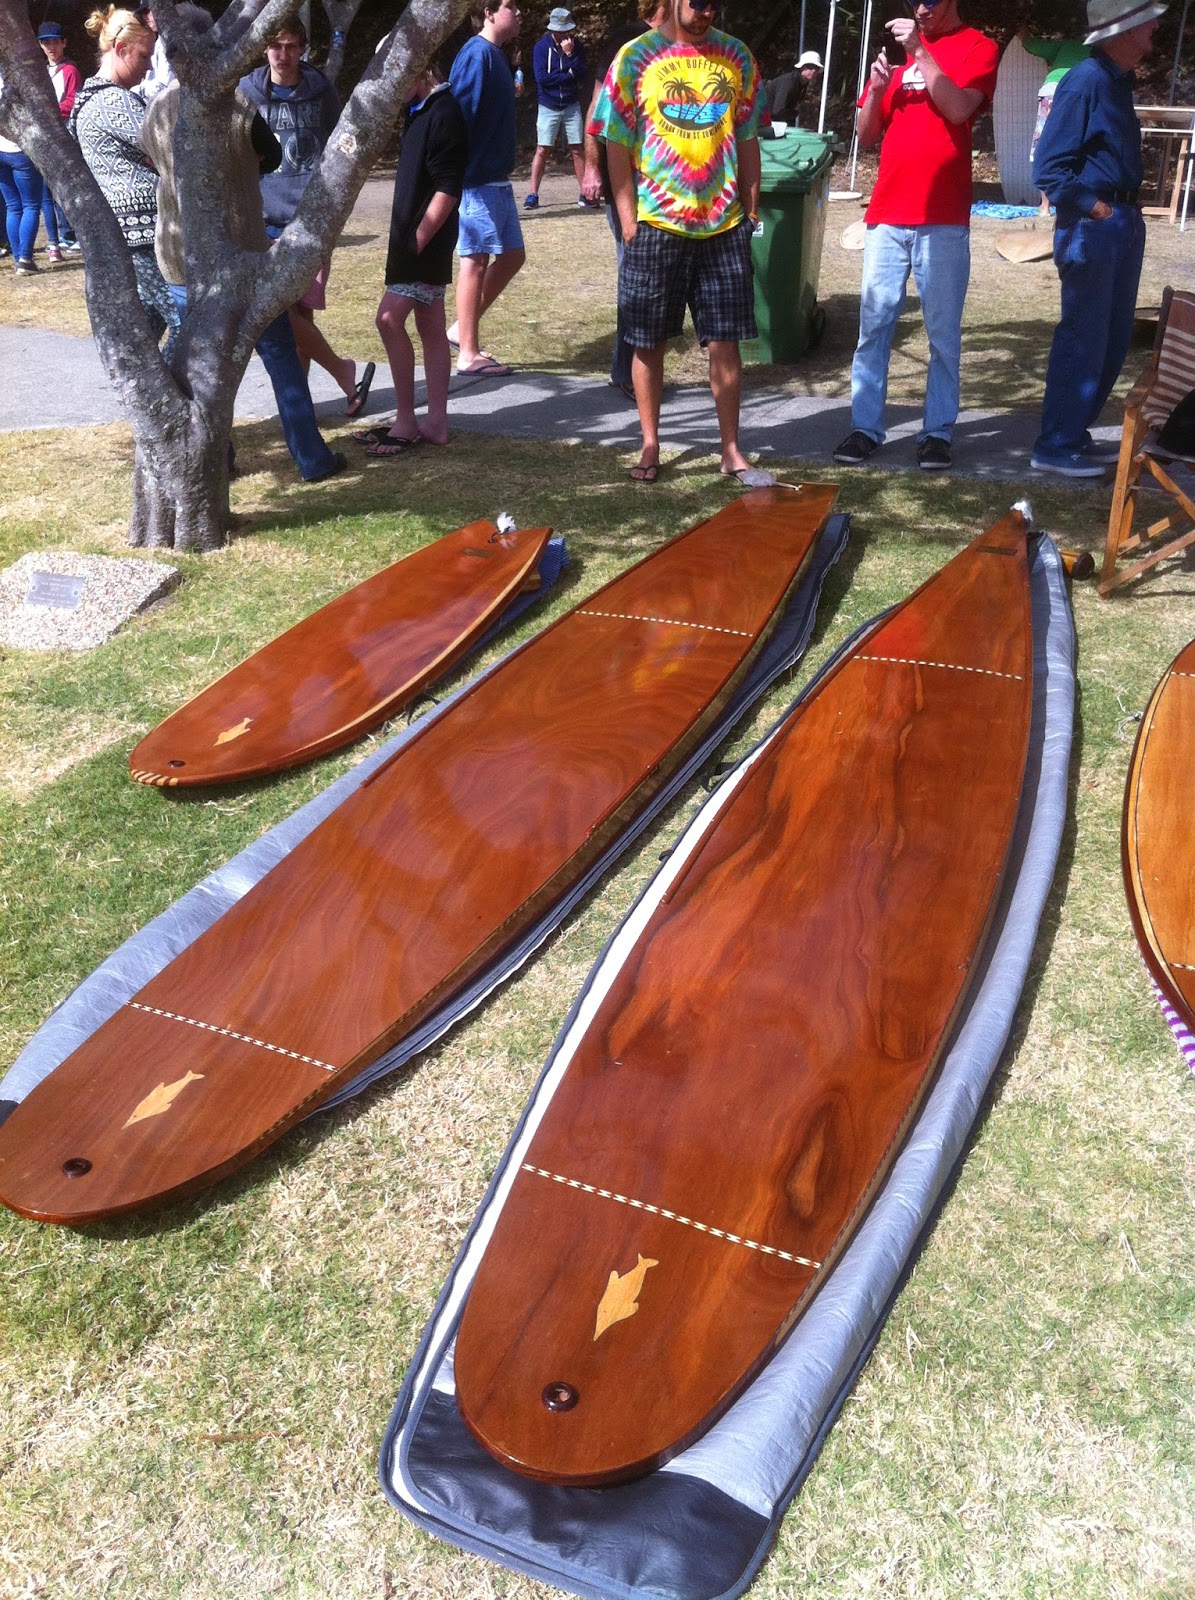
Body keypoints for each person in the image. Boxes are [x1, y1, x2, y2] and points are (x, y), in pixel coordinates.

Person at [140, 47, 347, 483]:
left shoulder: (158, 106)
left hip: (182, 259)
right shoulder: (237, 104)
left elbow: (150, 157)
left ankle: (220, 458)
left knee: (202, 364)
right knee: (280, 357)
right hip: (241, 253)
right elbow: (270, 158)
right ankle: (311, 458)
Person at [590, 0, 772, 487]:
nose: (708, 10)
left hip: (722, 226)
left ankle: (731, 449)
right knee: (648, 340)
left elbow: (748, 135)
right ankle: (650, 444)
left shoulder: (736, 57)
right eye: (698, 2)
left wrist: (749, 209)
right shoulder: (634, 57)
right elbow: (615, 141)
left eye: (716, 3)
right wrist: (628, 221)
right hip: (656, 226)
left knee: (725, 343)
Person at [832, 0, 998, 473]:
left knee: (942, 334)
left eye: (931, 1)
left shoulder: (977, 47)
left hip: (942, 217)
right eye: (916, 2)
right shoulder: (902, 57)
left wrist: (921, 52)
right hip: (886, 215)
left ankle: (937, 433)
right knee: (874, 328)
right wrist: (877, 89)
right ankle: (865, 428)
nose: (921, 8)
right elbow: (865, 133)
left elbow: (961, 107)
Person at [1029, 0, 1167, 478]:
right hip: (1097, 223)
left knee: (1110, 339)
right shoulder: (1086, 80)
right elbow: (1048, 167)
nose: (1155, 30)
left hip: (1120, 220)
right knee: (1084, 337)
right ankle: (1055, 446)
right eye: (1146, 22)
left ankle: (1074, 435)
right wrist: (1096, 207)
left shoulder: (1114, 82)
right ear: (1122, 30)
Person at [240, 15, 375, 418]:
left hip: (312, 218)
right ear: (265, 49)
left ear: (303, 49)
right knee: (277, 313)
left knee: (300, 315)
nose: (283, 55)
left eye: (291, 46)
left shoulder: (321, 91)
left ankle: (297, 410)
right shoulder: (247, 92)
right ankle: (340, 372)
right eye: (276, 46)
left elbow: (342, 146)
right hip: (262, 217)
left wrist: (332, 204)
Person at [363, 63, 467, 456]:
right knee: (430, 322)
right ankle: (436, 422)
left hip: (423, 241)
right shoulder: (421, 109)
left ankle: (407, 420)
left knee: (388, 319)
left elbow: (448, 188)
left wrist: (416, 243)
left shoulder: (443, 112)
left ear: (421, 67)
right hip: (415, 238)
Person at [71, 7, 182, 347]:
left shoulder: (91, 98)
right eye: (144, 56)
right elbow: (167, 148)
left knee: (147, 327)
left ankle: (144, 393)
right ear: (120, 50)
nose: (149, 65)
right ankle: (167, 400)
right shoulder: (111, 102)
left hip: (133, 234)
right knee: (185, 321)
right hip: (143, 236)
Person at [581, 0, 668, 399]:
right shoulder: (626, 41)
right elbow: (599, 110)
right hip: (625, 179)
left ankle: (633, 369)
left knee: (649, 275)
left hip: (659, 179)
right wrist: (593, 169)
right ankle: (625, 371)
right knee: (635, 271)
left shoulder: (680, 44)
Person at [447, 0, 525, 379]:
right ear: (489, 12)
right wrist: (453, 179)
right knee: (474, 261)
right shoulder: (477, 55)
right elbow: (457, 118)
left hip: (497, 179)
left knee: (512, 256)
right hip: (475, 181)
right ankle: (468, 354)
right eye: (511, 5)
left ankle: (461, 329)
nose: (519, 12)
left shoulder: (496, 56)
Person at [525, 8, 589, 209]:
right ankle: (533, 194)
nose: (565, 35)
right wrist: (568, 74)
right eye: (561, 31)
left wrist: (570, 57)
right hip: (548, 105)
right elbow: (542, 79)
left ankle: (586, 193)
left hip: (571, 103)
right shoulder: (541, 48)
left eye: (568, 30)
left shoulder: (576, 46)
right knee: (543, 149)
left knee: (577, 148)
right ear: (553, 30)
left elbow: (582, 73)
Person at [1022, 32, 1091, 214]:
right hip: (1077, 94)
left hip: (1051, 91)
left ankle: (1044, 206)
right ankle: (1070, 201)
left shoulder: (1065, 45)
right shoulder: (1099, 51)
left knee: (1043, 143)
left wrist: (1022, 32)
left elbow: (1032, 45)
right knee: (1073, 146)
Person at [38, 23, 82, 259]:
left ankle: (71, 234)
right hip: (47, 135)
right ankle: (58, 238)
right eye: (46, 42)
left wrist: (47, 111)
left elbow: (72, 101)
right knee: (48, 190)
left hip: (64, 133)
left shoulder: (69, 70)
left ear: (64, 42)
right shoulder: (43, 71)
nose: (51, 47)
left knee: (63, 187)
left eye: (55, 41)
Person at [0, 103, 43, 275]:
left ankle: (20, 258)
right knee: (31, 205)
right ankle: (25, 259)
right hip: (19, 149)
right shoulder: (19, 83)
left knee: (13, 206)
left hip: (0, 152)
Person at [764, 48, 823, 126]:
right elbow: (778, 111)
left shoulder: (802, 83)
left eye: (816, 68)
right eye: (810, 66)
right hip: (761, 121)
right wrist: (795, 113)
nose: (813, 70)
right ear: (802, 67)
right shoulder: (789, 81)